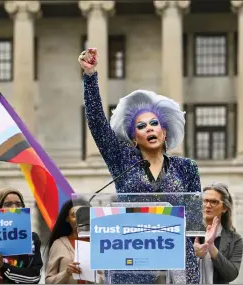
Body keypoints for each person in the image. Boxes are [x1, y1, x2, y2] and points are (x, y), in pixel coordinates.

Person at [78, 48, 202, 284]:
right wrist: (90, 77)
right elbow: (97, 124)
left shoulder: (187, 167)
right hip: (132, 259)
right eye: (141, 126)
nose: (150, 129)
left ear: (164, 132)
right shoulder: (123, 161)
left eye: (154, 123)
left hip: (177, 261)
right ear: (134, 138)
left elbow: (194, 220)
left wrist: (200, 244)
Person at [194, 182, 243, 284]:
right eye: (205, 201)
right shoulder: (187, 232)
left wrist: (211, 247)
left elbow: (231, 274)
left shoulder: (235, 239)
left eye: (214, 202)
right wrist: (193, 255)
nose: (207, 205)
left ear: (224, 208)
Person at [45, 199, 95, 284]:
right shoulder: (58, 244)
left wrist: (93, 276)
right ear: (67, 218)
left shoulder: (98, 244)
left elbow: (108, 278)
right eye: (74, 215)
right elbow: (48, 281)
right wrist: (67, 273)